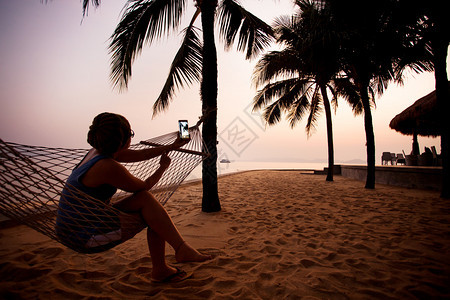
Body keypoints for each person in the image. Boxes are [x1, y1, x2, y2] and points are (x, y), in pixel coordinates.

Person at [56, 112, 211, 283]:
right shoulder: (108, 167)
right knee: (151, 211)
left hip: (76, 225)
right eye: (131, 134)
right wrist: (162, 168)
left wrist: (172, 146)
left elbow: (143, 154)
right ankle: (165, 266)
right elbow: (144, 186)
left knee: (146, 202)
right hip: (84, 236)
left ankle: (179, 252)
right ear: (122, 141)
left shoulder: (97, 153)